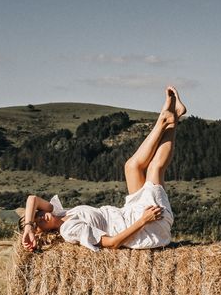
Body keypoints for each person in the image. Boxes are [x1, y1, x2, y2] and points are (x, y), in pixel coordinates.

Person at [20, 86, 186, 252]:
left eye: (37, 213)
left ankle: (172, 116)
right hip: (146, 228)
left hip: (127, 213)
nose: (41, 217)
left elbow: (32, 198)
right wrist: (144, 220)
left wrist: (28, 226)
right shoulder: (68, 230)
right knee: (154, 169)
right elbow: (112, 243)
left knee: (131, 167)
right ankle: (167, 119)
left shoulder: (61, 212)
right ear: (40, 233)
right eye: (38, 223)